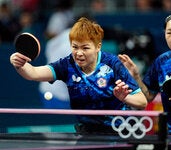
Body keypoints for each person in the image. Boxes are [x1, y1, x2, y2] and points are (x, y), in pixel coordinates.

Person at [10, 17, 147, 134]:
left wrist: (125, 98)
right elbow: (33, 73)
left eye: (85, 48)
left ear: (98, 46)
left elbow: (142, 101)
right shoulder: (67, 64)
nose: (79, 53)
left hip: (120, 131)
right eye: (75, 47)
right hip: (88, 132)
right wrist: (19, 64)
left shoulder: (113, 64)